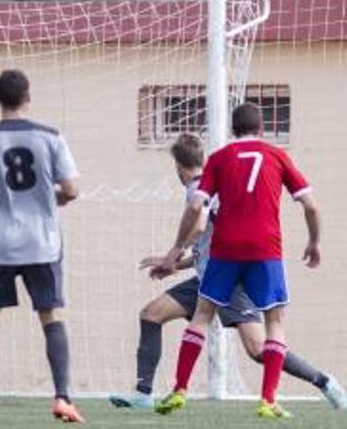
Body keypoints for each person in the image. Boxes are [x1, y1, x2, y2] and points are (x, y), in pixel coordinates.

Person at [108, 133, 345, 410]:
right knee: (151, 315)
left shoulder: (197, 188)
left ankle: (324, 382)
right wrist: (174, 265)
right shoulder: (212, 183)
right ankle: (144, 393)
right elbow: (206, 244)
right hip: (206, 276)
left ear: (178, 167)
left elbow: (198, 227)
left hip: (228, 279)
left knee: (258, 349)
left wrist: (172, 255)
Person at [152, 104, 322, 419]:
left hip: (225, 250)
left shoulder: (218, 159)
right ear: (261, 129)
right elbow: (310, 205)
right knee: (274, 322)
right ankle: (268, 400)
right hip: (265, 250)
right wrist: (314, 241)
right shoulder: (277, 155)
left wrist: (176, 249)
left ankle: (179, 389)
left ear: (232, 130)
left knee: (202, 315)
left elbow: (196, 208)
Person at [0, 69, 83, 423]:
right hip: (42, 240)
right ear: (27, 96)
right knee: (50, 316)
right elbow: (71, 190)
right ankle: (62, 397)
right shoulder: (51, 137)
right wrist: (48, 197)